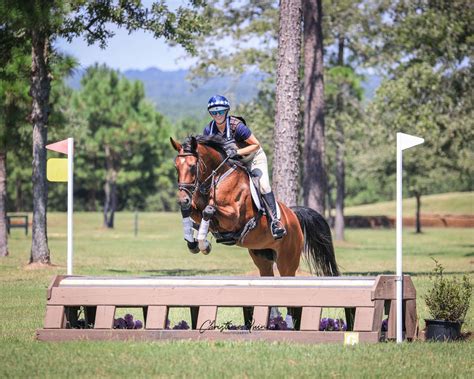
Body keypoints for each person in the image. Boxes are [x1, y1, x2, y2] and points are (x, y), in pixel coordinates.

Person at [203, 94, 286, 239]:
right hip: (234, 162)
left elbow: (256, 144)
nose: (217, 115)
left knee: (264, 186)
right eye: (214, 112)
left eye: (221, 111)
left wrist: (237, 151)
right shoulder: (209, 130)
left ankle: (275, 222)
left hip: (253, 158)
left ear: (226, 111)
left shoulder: (237, 126)